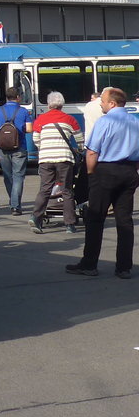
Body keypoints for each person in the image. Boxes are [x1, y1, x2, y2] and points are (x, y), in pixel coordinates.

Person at [66, 88, 139, 279]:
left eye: (103, 101)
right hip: (129, 171)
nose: (101, 104)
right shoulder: (136, 121)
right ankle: (124, 267)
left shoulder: (105, 121)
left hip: (105, 171)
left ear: (112, 103)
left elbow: (92, 152)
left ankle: (89, 264)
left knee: (95, 218)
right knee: (124, 220)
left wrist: (91, 174)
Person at [30, 91, 84, 234]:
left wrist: (45, 148)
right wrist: (79, 150)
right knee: (67, 191)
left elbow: (36, 139)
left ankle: (36, 217)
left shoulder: (40, 119)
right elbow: (79, 139)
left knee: (45, 189)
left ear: (48, 104)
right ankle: (69, 224)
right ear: (62, 104)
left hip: (46, 159)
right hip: (64, 159)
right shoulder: (69, 119)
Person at [0, 87, 33, 216]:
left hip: (3, 148)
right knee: (18, 176)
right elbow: (30, 129)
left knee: (8, 176)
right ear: (18, 97)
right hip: (19, 147)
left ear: (7, 97)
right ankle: (16, 206)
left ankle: (13, 201)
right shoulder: (23, 111)